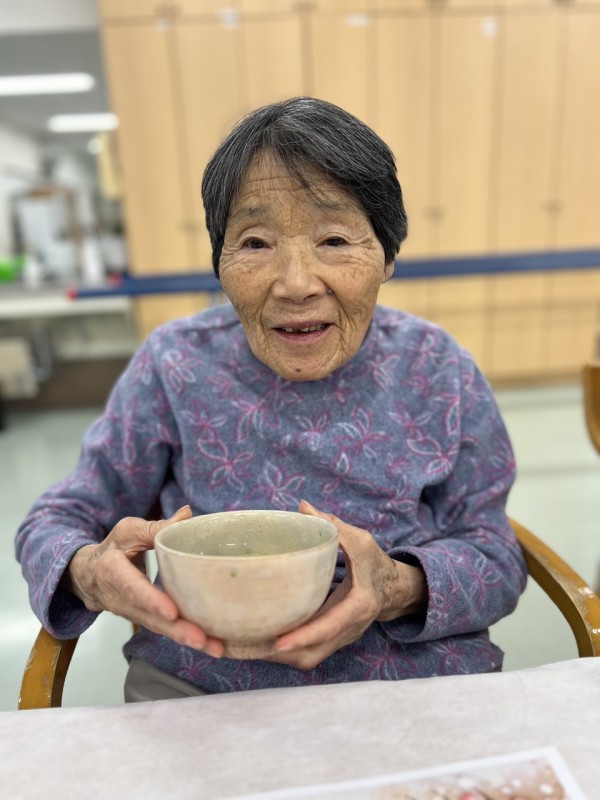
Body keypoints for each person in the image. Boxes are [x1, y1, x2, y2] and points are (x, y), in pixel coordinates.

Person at [15, 97, 527, 700]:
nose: (296, 284)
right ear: (219, 261)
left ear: (387, 255)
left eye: (334, 239)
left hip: (414, 678)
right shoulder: (175, 364)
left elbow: (496, 554)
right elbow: (55, 521)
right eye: (255, 243)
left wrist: (393, 588)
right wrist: (90, 572)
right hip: (204, 683)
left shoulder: (438, 368)